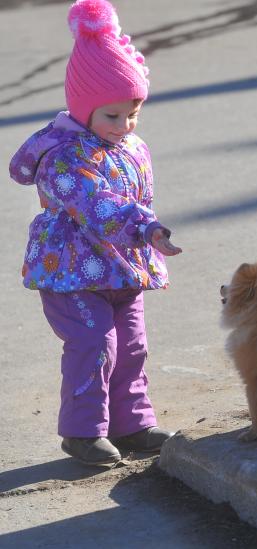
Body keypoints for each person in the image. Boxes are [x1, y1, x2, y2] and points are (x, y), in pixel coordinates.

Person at [9, 0, 182, 465]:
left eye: (133, 113)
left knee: (132, 345)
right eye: (112, 115)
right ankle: (83, 431)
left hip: (122, 266)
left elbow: (136, 198)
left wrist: (149, 234)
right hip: (72, 270)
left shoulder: (131, 145)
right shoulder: (64, 156)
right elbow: (97, 205)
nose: (124, 124)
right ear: (83, 109)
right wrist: (145, 228)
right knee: (94, 343)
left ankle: (133, 423)